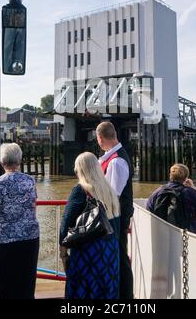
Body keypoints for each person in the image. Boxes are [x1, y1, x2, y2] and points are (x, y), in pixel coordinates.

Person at [60, 152, 120, 300]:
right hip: (110, 250)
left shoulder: (81, 190)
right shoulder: (110, 190)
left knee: (84, 291)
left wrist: (63, 250)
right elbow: (116, 222)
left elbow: (66, 221)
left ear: (80, 170)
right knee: (105, 290)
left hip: (87, 250)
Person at [96, 122, 134, 300]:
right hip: (115, 216)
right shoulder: (112, 158)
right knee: (117, 255)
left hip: (116, 218)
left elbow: (113, 195)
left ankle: (125, 296)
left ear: (100, 138)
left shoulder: (117, 161)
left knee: (120, 255)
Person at [0, 143, 40, 300]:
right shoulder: (29, 181)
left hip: (4, 238)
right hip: (29, 237)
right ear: (20, 160)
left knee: (6, 282)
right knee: (26, 282)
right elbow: (33, 206)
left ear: (2, 162)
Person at [147, 164, 196, 234]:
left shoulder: (159, 191)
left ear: (170, 175)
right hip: (188, 234)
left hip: (163, 232)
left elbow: (149, 208)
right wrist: (193, 188)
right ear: (186, 178)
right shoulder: (190, 192)